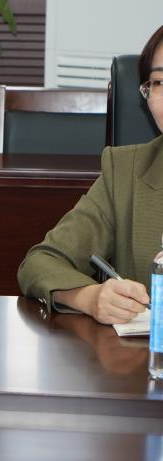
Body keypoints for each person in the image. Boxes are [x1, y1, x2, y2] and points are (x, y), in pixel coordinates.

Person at [18, 24, 163, 323]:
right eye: (160, 81)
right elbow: (40, 263)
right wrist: (90, 297)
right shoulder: (126, 172)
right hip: (144, 353)